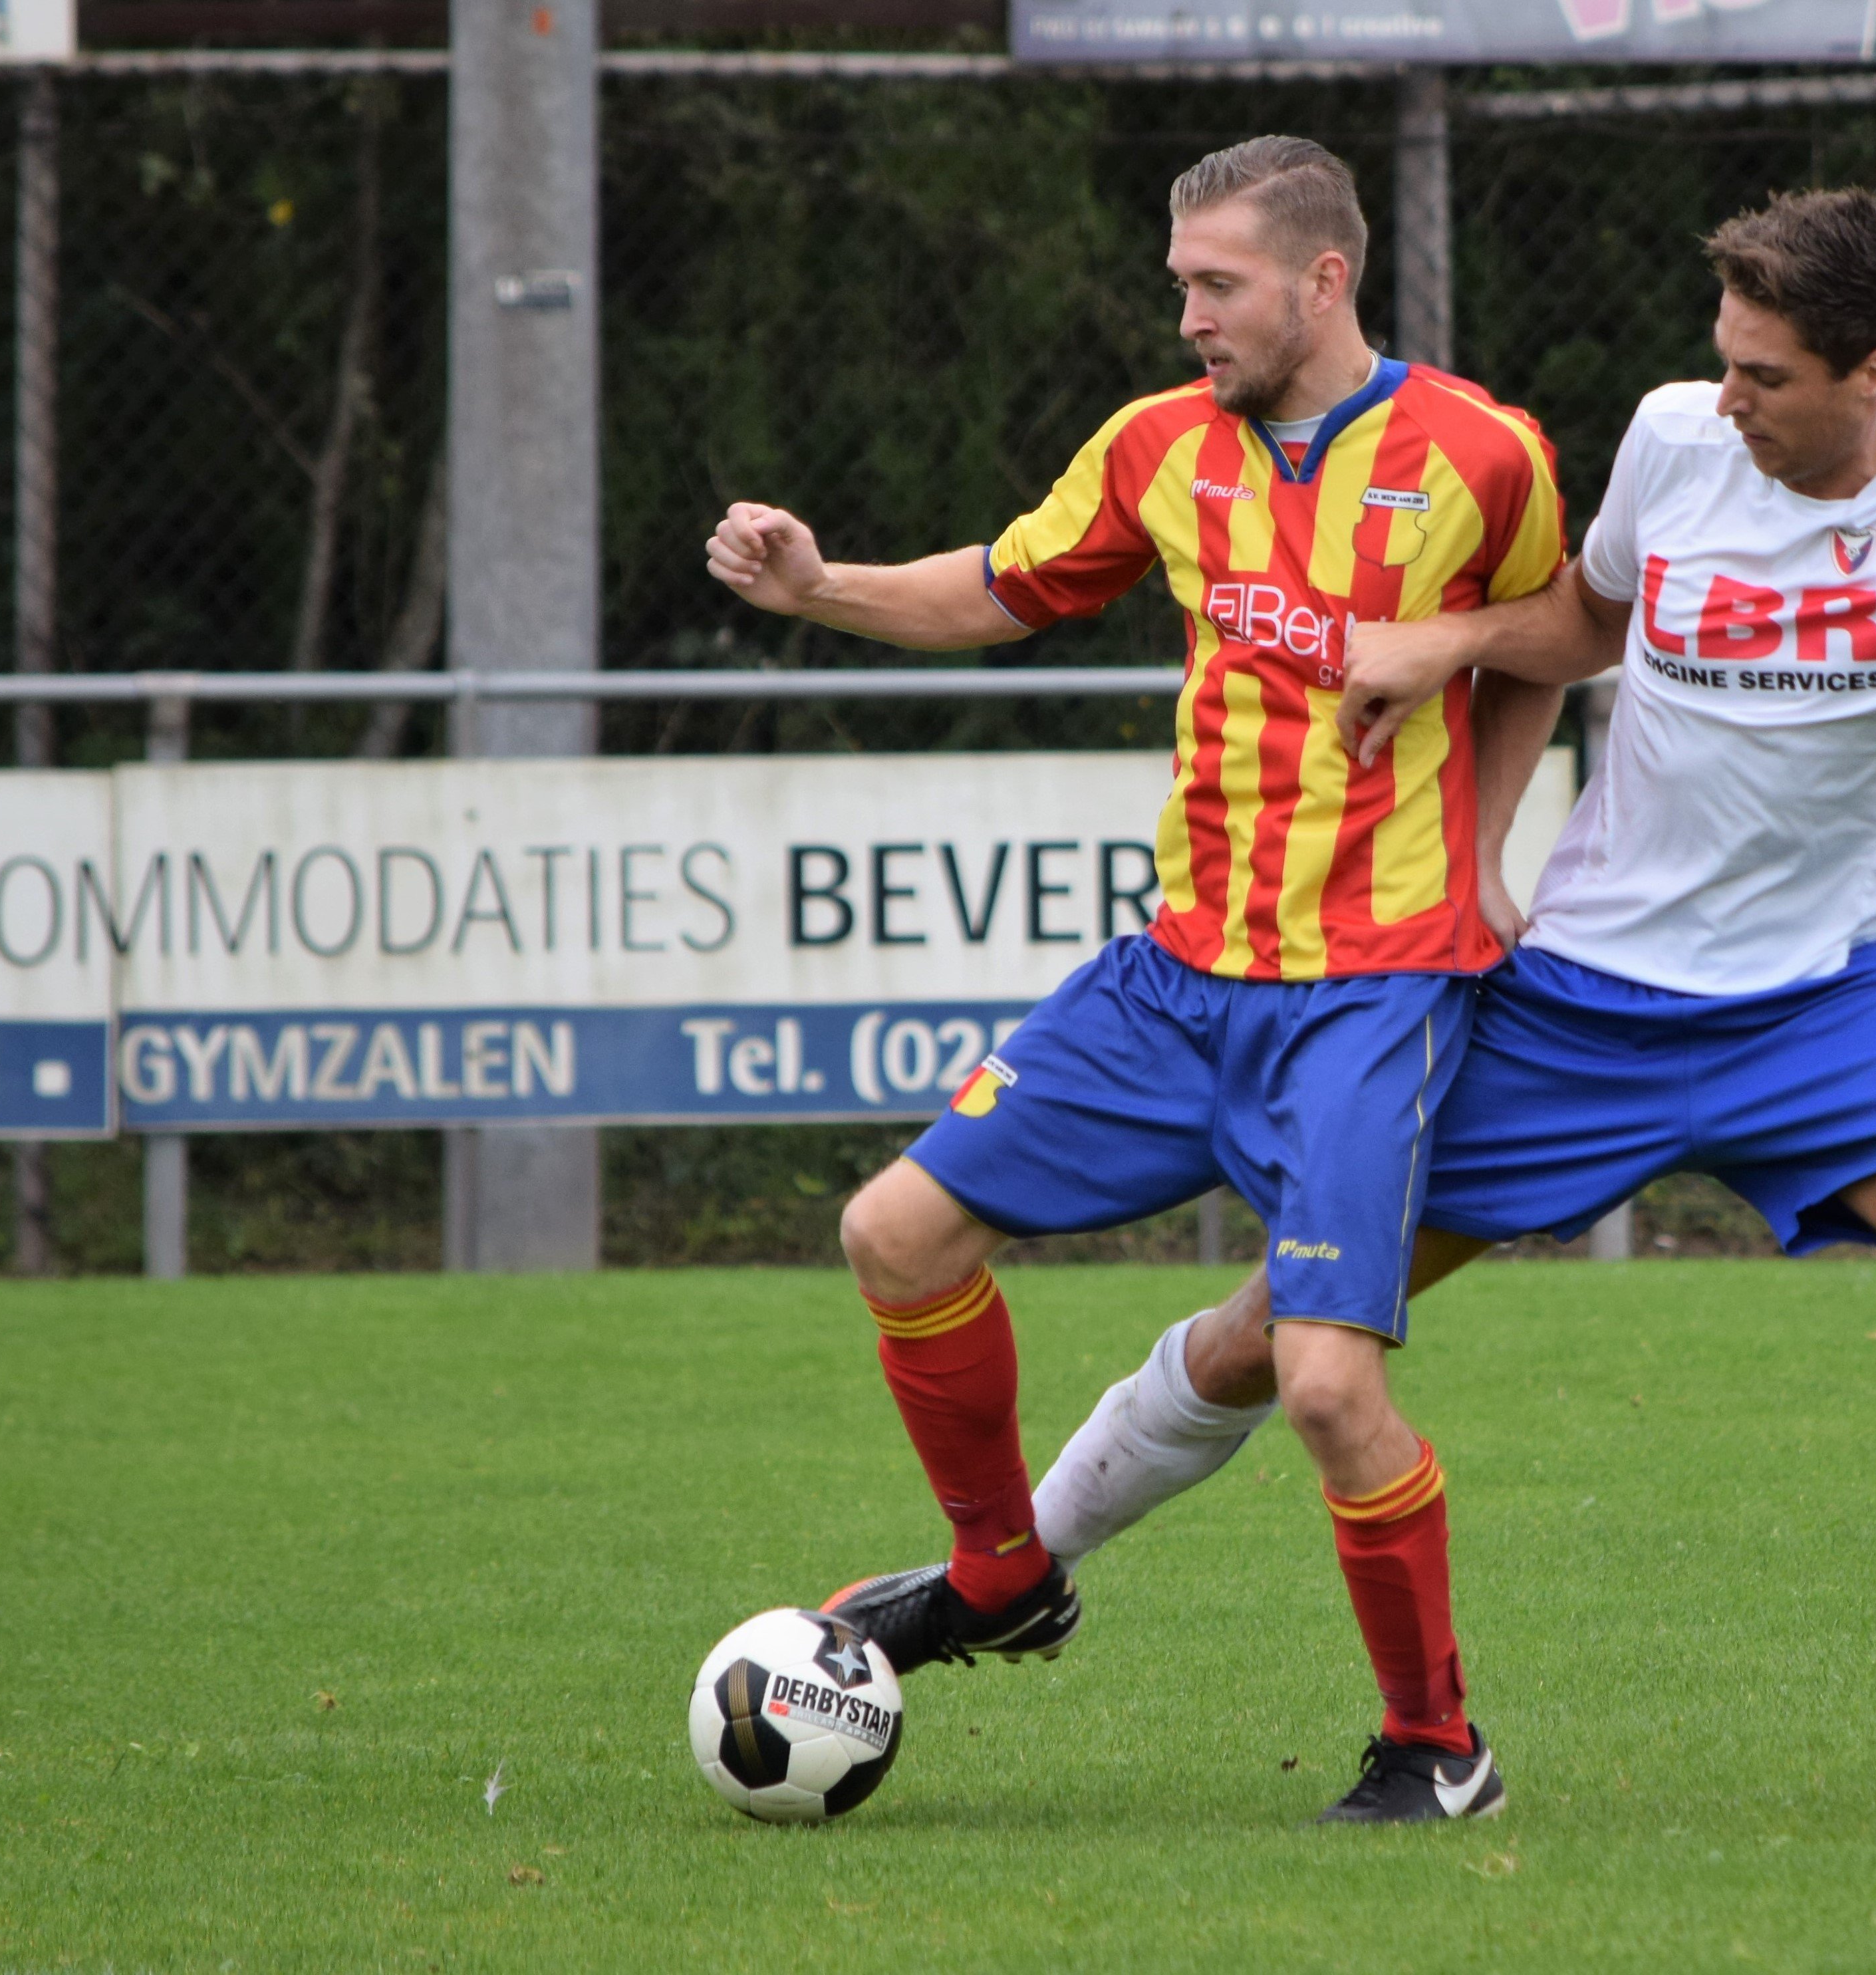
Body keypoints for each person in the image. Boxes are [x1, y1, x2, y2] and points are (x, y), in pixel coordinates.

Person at [1031, 189, 1876, 1825]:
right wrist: (1455, 641)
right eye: (1721, 361)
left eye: (1763, 374)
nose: (1725, 398)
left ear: (1875, 372)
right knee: (1288, 1327)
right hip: (1581, 1003)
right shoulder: (1673, 439)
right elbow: (1586, 615)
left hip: (1832, 1016)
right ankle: (1005, 1570)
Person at [704, 135, 1565, 1825]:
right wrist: (823, 589)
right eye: (1179, 283)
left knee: (1324, 1383)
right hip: (1172, 980)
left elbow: (1562, 629)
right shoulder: (1157, 450)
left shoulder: (1481, 448)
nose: (1185, 316)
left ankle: (1433, 1746)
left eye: (1215, 284)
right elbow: (1002, 591)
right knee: (894, 1230)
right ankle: (1000, 1572)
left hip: (1366, 993)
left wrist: (1483, 845)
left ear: (1323, 280)